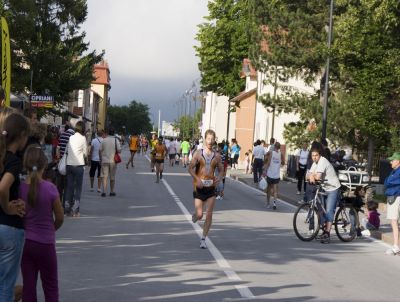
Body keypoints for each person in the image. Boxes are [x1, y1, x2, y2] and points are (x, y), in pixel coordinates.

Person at [19, 144, 64, 301]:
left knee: (29, 286)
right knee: (50, 286)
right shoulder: (50, 188)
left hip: (26, 243)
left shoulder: (19, 189)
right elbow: (59, 217)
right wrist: (51, 229)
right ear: (44, 165)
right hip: (46, 243)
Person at [0, 112, 30, 301]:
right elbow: (3, 187)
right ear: (22, 136)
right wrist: (7, 207)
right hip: (9, 227)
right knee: (6, 284)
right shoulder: (13, 161)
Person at [189, 129, 223, 249]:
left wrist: (219, 177)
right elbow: (190, 168)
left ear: (214, 140)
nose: (210, 141)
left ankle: (203, 239)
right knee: (200, 215)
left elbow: (222, 170)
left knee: (209, 214)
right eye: (208, 139)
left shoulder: (217, 156)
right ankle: (196, 216)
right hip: (199, 188)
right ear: (205, 139)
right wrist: (197, 179)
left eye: (212, 139)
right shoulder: (198, 153)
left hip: (211, 189)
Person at [307, 147, 341, 244]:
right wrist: (311, 175)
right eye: (313, 155)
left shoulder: (322, 161)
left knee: (329, 211)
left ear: (320, 155)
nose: (314, 157)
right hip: (325, 188)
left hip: (333, 188)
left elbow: (317, 177)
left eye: (316, 155)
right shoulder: (315, 163)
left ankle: (327, 234)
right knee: (324, 210)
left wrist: (312, 176)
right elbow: (308, 175)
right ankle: (325, 230)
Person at [64, 121, 88, 217]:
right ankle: (76, 210)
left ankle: (66, 210)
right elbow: (85, 153)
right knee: (78, 188)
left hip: (69, 165)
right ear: (82, 128)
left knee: (69, 187)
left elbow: (66, 151)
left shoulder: (71, 137)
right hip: (78, 166)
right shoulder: (83, 138)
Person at [384, 152, 400, 255]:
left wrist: (388, 181)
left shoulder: (397, 172)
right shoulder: (394, 171)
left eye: (392, 160)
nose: (390, 162)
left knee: (394, 222)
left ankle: (396, 246)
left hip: (396, 197)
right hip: (395, 197)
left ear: (398, 161)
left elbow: (387, 182)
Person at [56, 124, 75, 209]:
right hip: (69, 164)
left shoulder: (62, 135)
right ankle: (65, 205)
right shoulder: (73, 137)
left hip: (61, 163)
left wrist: (59, 159)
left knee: (60, 185)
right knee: (68, 186)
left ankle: (58, 203)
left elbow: (58, 149)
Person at [100, 127, 121, 197]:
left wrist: (101, 159)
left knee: (104, 176)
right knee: (112, 177)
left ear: (108, 133)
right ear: (114, 133)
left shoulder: (104, 140)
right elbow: (119, 150)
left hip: (104, 160)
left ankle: (104, 191)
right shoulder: (116, 140)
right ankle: (111, 191)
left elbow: (100, 150)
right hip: (113, 161)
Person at [264, 141, 285, 210]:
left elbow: (268, 162)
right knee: (275, 190)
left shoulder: (271, 153)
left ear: (274, 147)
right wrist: (279, 163)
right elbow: (283, 162)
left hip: (270, 174)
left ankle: (267, 203)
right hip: (276, 175)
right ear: (279, 147)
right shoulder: (281, 154)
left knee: (269, 190)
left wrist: (265, 171)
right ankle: (274, 203)